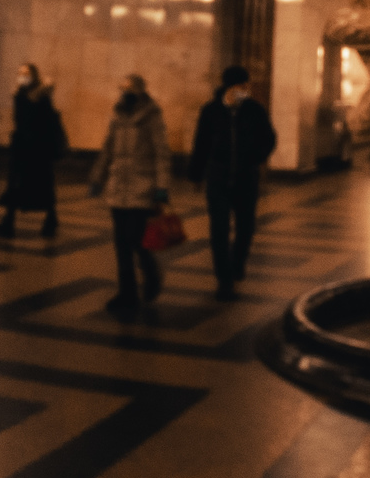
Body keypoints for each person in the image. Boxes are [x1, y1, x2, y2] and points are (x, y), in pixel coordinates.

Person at [189, 64, 277, 299]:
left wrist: (255, 158)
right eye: (241, 85)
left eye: (246, 86)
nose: (245, 89)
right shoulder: (211, 111)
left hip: (246, 179)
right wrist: (196, 175)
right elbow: (201, 143)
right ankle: (224, 278)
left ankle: (238, 263)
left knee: (246, 228)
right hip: (218, 178)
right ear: (230, 86)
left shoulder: (255, 110)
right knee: (218, 229)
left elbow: (269, 138)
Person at [88, 72, 172, 316]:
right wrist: (98, 177)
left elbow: (161, 153)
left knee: (136, 241)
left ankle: (152, 274)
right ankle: (127, 293)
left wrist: (162, 188)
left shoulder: (152, 115)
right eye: (122, 88)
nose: (125, 93)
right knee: (121, 244)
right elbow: (108, 148)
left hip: (142, 187)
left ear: (140, 91)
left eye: (129, 89)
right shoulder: (117, 113)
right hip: (118, 188)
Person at [0, 64, 67, 239]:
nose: (22, 76)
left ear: (33, 76)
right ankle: (10, 221)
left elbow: (42, 120)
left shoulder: (39, 96)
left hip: (36, 149)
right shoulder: (21, 94)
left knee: (37, 184)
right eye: (20, 73)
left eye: (26, 73)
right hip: (23, 147)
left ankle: (48, 218)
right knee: (20, 183)